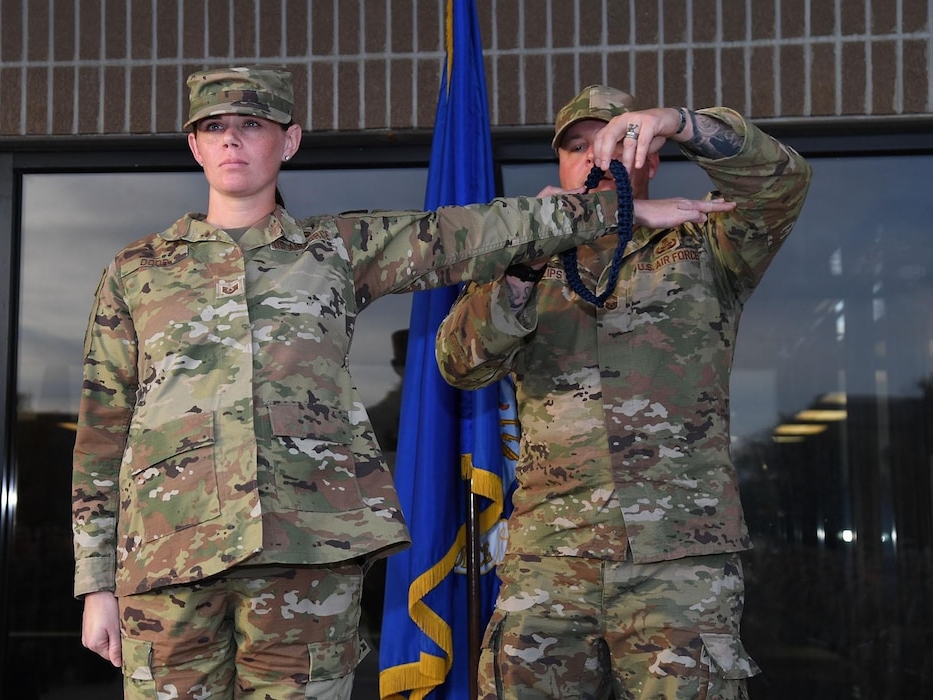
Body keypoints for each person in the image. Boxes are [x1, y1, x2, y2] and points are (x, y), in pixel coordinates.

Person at [71, 66, 733, 700]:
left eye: (253, 124)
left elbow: (461, 236)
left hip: (308, 561)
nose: (233, 140)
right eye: (215, 127)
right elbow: (103, 434)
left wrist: (612, 214)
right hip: (167, 565)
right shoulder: (136, 272)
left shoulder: (335, 248)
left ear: (290, 140)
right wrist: (97, 584)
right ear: (194, 144)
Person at [434, 85, 812, 699]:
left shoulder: (704, 241)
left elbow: (782, 182)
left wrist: (681, 121)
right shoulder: (530, 261)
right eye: (577, 147)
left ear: (652, 158)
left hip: (678, 560)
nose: (594, 158)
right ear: (560, 163)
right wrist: (526, 263)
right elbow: (459, 364)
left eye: (616, 141)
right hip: (550, 560)